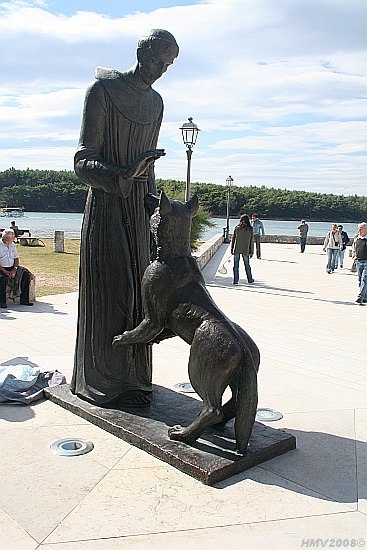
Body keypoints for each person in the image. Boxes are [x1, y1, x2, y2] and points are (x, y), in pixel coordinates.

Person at [70, 30, 179, 408]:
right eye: (156, 61)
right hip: (107, 208)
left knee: (139, 295)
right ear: (140, 54)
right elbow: (83, 161)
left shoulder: (156, 104)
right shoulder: (101, 92)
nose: (161, 71)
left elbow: (148, 169)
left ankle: (134, 378)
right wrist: (120, 175)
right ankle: (102, 379)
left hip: (138, 211)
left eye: (168, 65)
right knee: (112, 292)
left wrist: (156, 209)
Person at [0, 229, 33, 308]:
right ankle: (2, 301)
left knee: (25, 274)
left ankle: (24, 299)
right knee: (1, 278)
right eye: (12, 237)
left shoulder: (12, 245)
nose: (14, 238)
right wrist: (5, 271)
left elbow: (16, 259)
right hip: (1, 268)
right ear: (7, 238)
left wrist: (14, 269)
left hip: (12, 267)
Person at [230, 214, 254, 285]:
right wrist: (251, 251)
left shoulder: (237, 228)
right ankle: (250, 279)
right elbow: (251, 241)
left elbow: (233, 239)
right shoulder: (250, 229)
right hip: (246, 249)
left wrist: (232, 249)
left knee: (236, 265)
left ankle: (235, 280)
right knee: (247, 265)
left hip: (237, 249)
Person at [352, 222, 367, 305]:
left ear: (366, 229)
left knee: (364, 279)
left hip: (366, 261)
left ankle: (360, 297)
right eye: (359, 228)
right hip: (358, 261)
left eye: (361, 228)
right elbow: (354, 248)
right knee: (360, 279)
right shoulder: (356, 238)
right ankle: (365, 297)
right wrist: (354, 258)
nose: (359, 230)